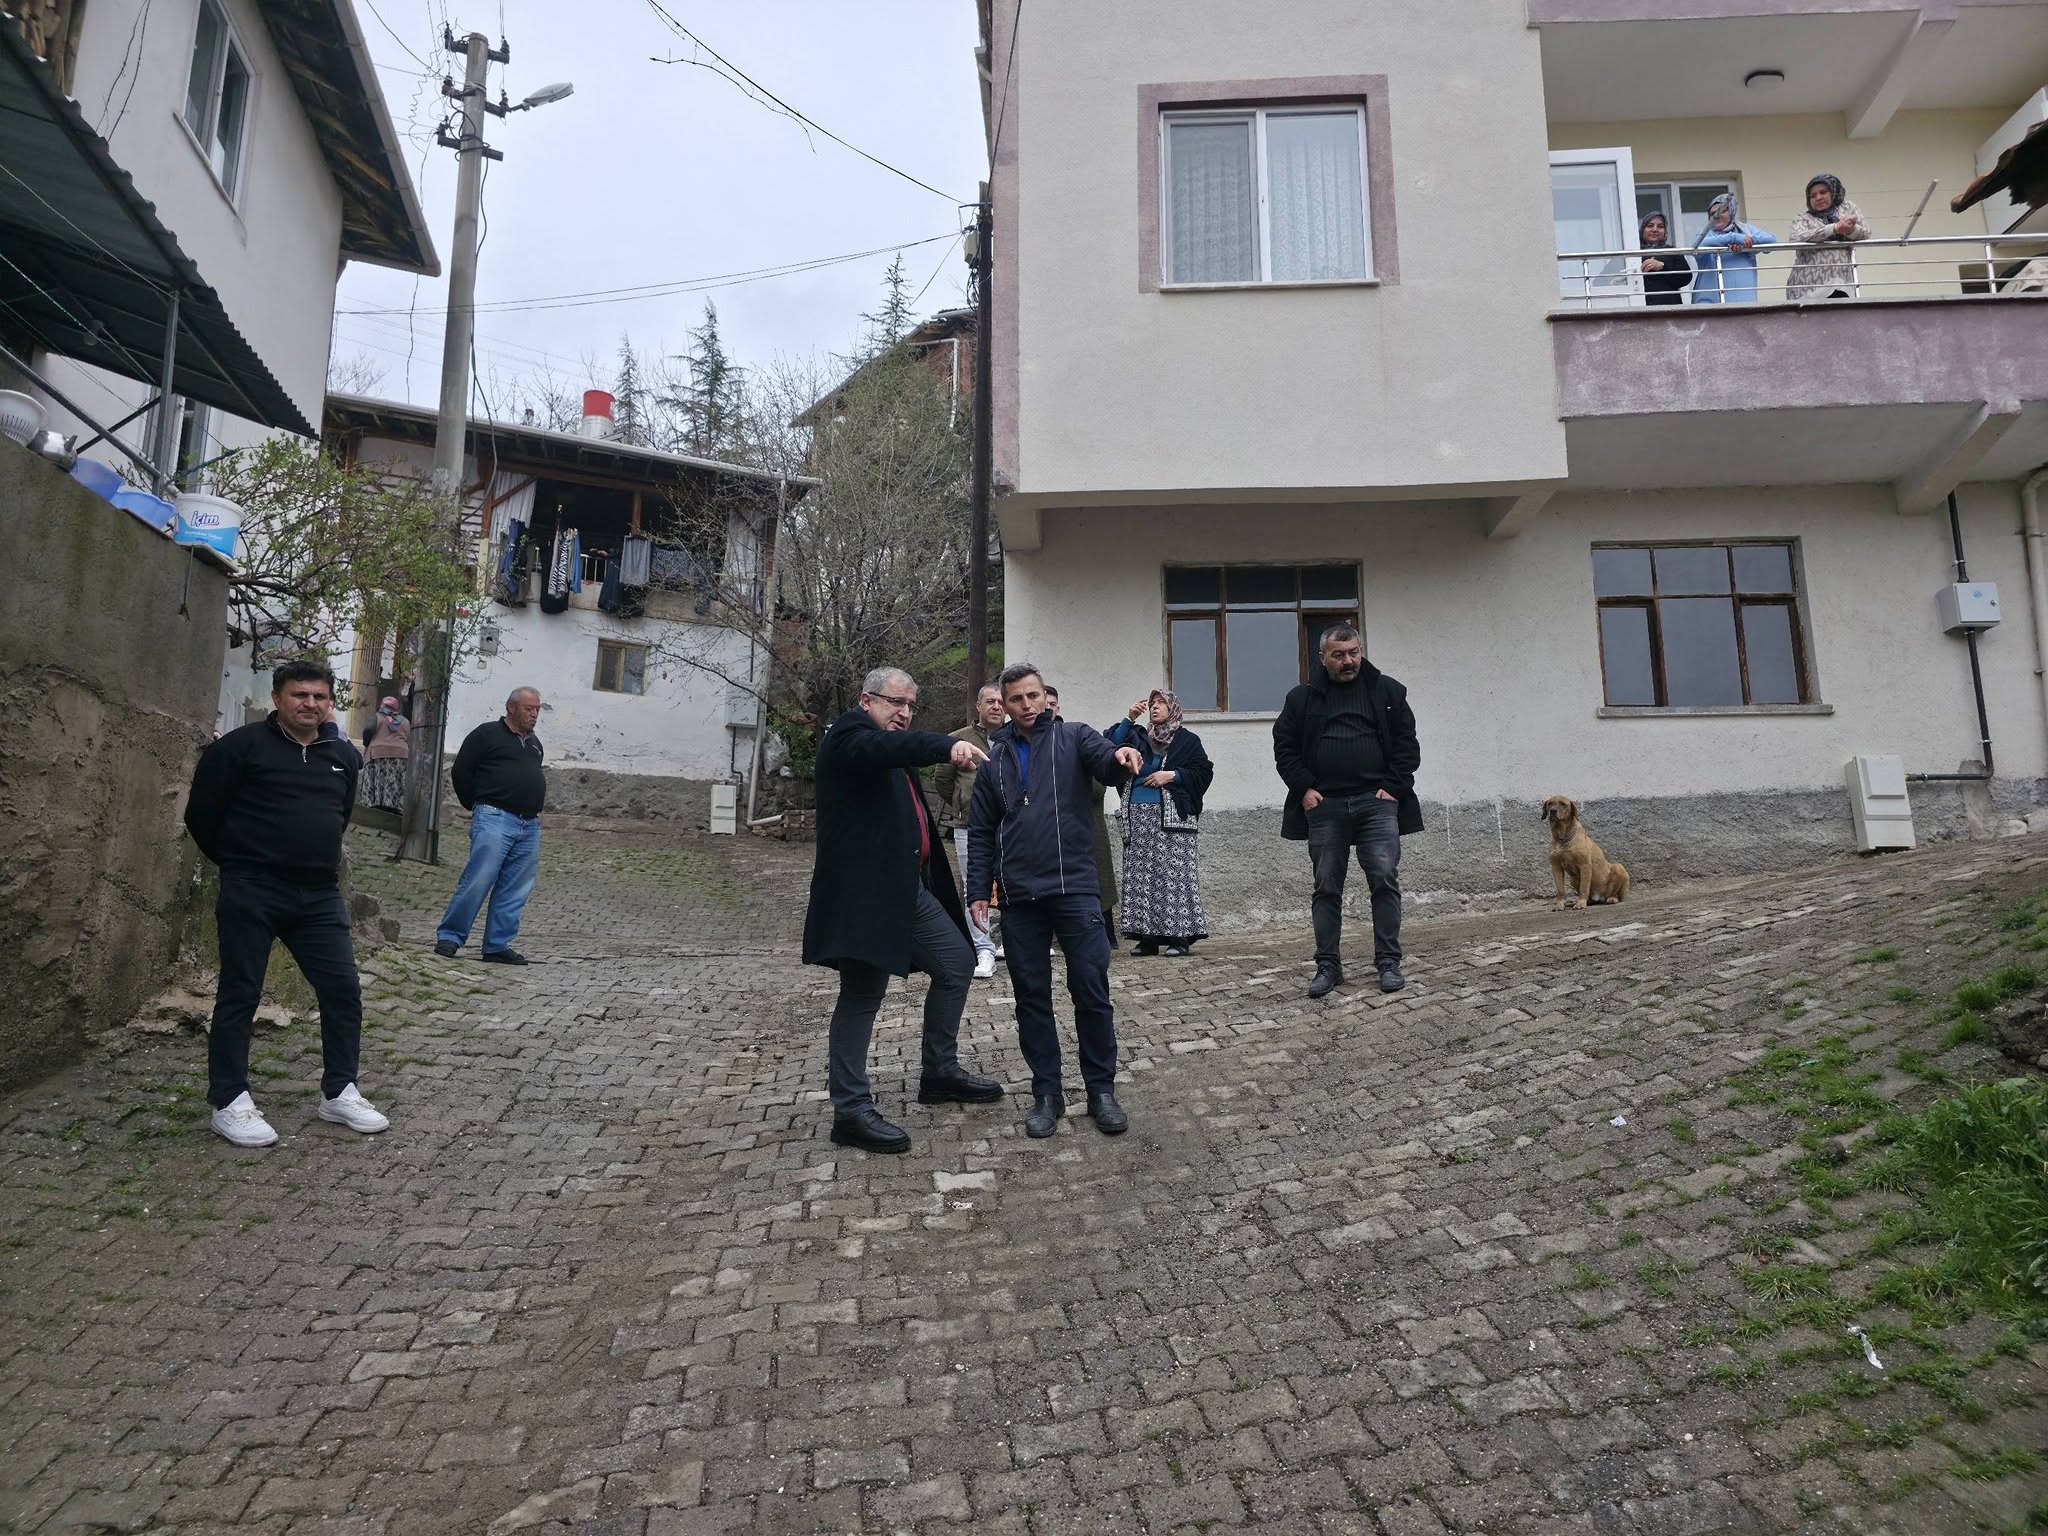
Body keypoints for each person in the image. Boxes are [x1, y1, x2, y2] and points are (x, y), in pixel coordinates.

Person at [182, 660, 390, 1148]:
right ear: (277, 698)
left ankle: (339, 1091)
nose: (309, 704)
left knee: (342, 990)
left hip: (318, 895)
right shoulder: (239, 748)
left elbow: (338, 815)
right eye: (300, 695)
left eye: (319, 697)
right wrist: (240, 862)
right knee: (241, 993)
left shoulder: (342, 756)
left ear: (330, 702)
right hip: (252, 889)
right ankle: (229, 1101)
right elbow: (201, 815)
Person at [802, 667, 1003, 1154]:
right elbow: (886, 750)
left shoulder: (888, 744)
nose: (905, 713)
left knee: (957, 963)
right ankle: (850, 1111)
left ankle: (939, 1073)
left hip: (907, 891)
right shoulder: (848, 736)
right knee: (862, 994)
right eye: (896, 703)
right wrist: (946, 745)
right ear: (865, 700)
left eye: (911, 705)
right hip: (865, 897)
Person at [966, 664, 1144, 1139]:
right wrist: (978, 890)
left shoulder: (1075, 737)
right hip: (1020, 898)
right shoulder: (994, 760)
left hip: (1075, 889)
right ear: (1004, 705)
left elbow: (1106, 760)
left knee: (1091, 991)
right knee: (1031, 999)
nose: (1027, 705)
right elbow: (981, 831)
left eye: (1034, 695)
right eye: (1017, 699)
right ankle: (1047, 1093)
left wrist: (1122, 753)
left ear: (1046, 697)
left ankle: (1101, 1091)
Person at [1272, 625, 1423, 999]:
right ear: (1322, 657)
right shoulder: (1301, 698)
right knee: (1326, 887)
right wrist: (1304, 788)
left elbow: (1407, 744)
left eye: (1354, 652)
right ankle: (1328, 967)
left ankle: (1388, 963)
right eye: (1339, 655)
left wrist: (1393, 788)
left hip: (1377, 803)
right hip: (1325, 807)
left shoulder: (1388, 691)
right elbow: (1284, 747)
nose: (1348, 661)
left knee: (1384, 879)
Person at [435, 687, 546, 965]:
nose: (534, 714)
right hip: (495, 817)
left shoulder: (534, 744)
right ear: (511, 707)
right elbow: (461, 771)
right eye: (529, 708)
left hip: (529, 824)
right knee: (479, 878)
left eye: (537, 709)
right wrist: (475, 804)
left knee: (516, 887)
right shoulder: (486, 735)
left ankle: (497, 944)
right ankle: (450, 936)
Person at [1107, 690, 1214, 957]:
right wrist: (1129, 719)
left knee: (1173, 877)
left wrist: (1173, 775)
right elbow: (1109, 747)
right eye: (1152, 704)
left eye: (1161, 703)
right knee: (1142, 878)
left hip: (1174, 821)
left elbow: (1204, 771)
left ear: (1173, 708)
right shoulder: (1138, 737)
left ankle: (1179, 938)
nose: (1155, 707)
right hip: (1138, 819)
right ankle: (1148, 938)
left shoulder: (1187, 740)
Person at [930, 682, 1005, 979]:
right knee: (973, 887)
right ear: (978, 705)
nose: (996, 706)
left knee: (1014, 883)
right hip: (970, 826)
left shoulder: (1012, 738)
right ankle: (983, 949)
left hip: (1010, 826)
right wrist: (963, 804)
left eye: (1001, 702)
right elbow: (942, 781)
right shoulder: (958, 740)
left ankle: (1010, 941)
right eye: (990, 701)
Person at [1044, 683, 1120, 943]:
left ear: (1058, 707)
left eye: (1052, 705)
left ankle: (1105, 935)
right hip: (1050, 826)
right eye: (1044, 704)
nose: (1048, 709)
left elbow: (1099, 784)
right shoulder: (1031, 741)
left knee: (1098, 879)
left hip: (1087, 823)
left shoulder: (1076, 736)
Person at [1787, 173, 1871, 301]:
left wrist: (1850, 230)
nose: (1818, 198)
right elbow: (1796, 237)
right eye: (1812, 196)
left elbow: (1866, 233)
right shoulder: (1803, 218)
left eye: (1823, 192)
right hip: (1807, 287)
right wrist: (1834, 228)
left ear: (1833, 192)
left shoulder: (1847, 208)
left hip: (1841, 282)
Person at [1694, 192, 1776, 304]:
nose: (1717, 215)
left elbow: (1771, 240)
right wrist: (1733, 238)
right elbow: (1697, 246)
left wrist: (1746, 243)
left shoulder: (1744, 229)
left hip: (1743, 302)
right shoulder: (1706, 234)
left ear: (1732, 211)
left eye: (1722, 211)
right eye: (1712, 213)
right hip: (1709, 303)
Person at [359, 696, 410, 813]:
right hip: (400, 757)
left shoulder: (376, 718)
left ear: (382, 705)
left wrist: (367, 744)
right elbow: (409, 739)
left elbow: (367, 731)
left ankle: (373, 804)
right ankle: (394, 806)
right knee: (395, 781)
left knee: (377, 780)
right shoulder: (405, 721)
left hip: (378, 755)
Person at [1637, 212, 1693, 306]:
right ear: (1642, 230)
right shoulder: (1633, 252)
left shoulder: (1672, 251)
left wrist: (1662, 266)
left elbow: (1685, 278)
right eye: (1650, 226)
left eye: (1660, 226)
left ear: (1665, 232)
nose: (1655, 230)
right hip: (1638, 307)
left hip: (1668, 308)